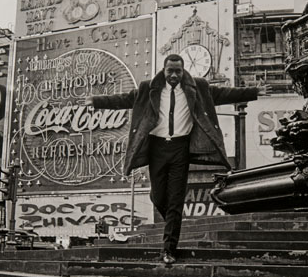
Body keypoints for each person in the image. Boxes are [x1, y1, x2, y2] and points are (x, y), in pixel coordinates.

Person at [85, 54, 270, 264]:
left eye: (178, 71)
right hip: (156, 149)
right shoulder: (149, 88)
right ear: (164, 70)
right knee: (158, 197)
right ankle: (173, 225)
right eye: (170, 71)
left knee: (175, 201)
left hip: (180, 149)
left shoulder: (197, 88)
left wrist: (254, 92)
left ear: (183, 71)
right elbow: (126, 99)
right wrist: (97, 101)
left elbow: (224, 93)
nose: (174, 75)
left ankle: (169, 249)